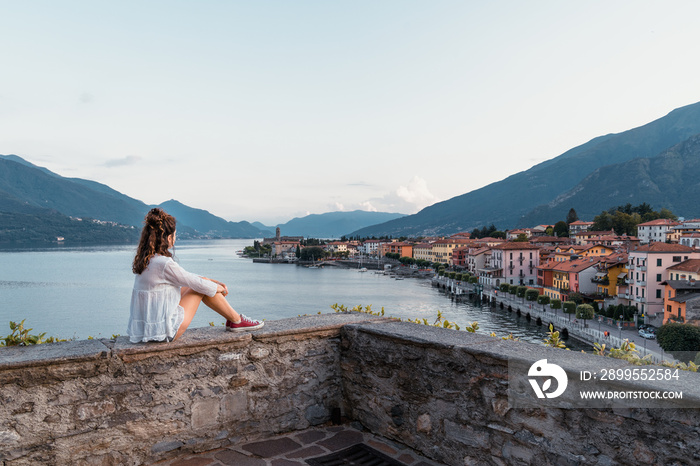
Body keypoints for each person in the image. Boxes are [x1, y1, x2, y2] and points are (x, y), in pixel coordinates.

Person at [127, 208, 263, 343]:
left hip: (149, 330)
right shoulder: (164, 263)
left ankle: (233, 320)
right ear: (168, 238)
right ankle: (236, 320)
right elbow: (195, 283)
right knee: (200, 287)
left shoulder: (149, 260)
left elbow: (187, 277)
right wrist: (218, 288)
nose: (175, 238)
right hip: (164, 332)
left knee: (201, 283)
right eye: (175, 235)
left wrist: (210, 281)